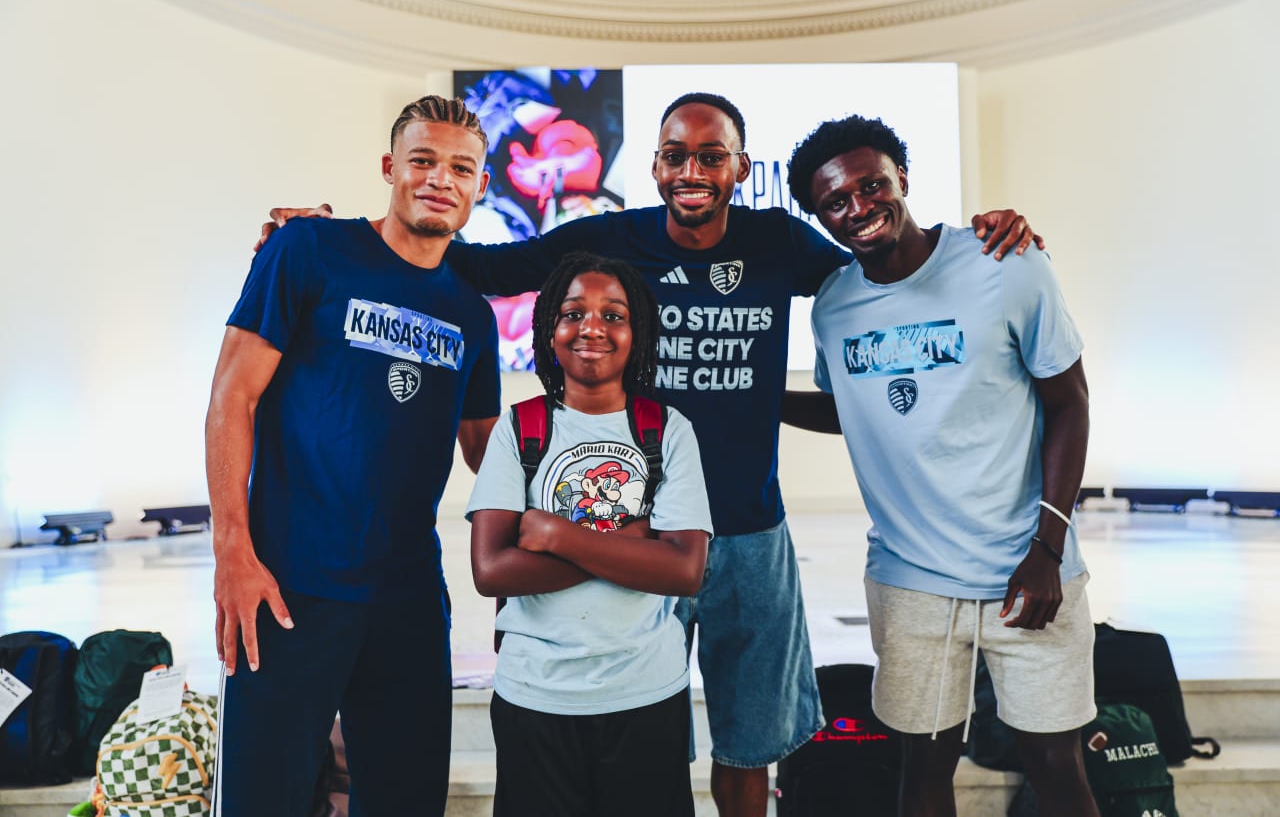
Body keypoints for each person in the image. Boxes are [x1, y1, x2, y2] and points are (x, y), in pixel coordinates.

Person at [256, 91, 1043, 816]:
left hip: (747, 535)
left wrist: (975, 242)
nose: (692, 170)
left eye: (712, 155)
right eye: (675, 154)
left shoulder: (778, 242)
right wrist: (334, 238)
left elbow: (884, 257)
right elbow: (481, 263)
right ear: (655, 164)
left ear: (740, 165)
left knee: (747, 742)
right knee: (643, 730)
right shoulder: (611, 238)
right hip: (629, 530)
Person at [781, 114, 1097, 817]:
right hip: (910, 580)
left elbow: (1069, 401)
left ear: (902, 179)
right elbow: (851, 407)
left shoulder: (1004, 262)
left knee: (1054, 762)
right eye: (836, 200)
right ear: (819, 214)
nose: (859, 207)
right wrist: (760, 401)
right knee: (921, 766)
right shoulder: (833, 307)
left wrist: (1047, 545)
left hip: (1029, 568)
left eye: (873, 185)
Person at [205, 95, 501, 816]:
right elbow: (230, 401)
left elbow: (488, 453)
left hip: (406, 599)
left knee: (406, 801)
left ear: (481, 185)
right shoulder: (307, 250)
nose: (440, 179)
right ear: (389, 168)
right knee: (261, 799)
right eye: (423, 160)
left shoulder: (472, 310)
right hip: (287, 587)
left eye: (460, 167)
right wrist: (233, 554)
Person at [467, 251, 713, 816]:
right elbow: (492, 571)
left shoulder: (669, 430)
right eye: (574, 312)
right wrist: (633, 542)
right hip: (536, 695)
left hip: (646, 692)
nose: (593, 328)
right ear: (549, 329)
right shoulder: (520, 427)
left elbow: (684, 571)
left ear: (638, 331)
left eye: (615, 315)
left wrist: (556, 534)